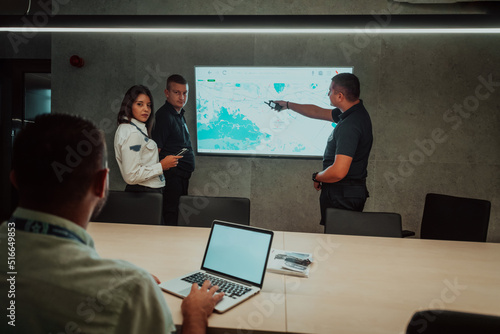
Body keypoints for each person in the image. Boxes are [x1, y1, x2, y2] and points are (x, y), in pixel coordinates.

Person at [0, 114, 223, 334]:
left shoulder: (131, 286)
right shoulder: (131, 290)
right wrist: (195, 315)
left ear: (14, 180)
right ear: (101, 184)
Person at [274, 73, 373, 227]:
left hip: (343, 196)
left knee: (338, 243)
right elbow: (318, 112)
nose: (327, 94)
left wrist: (318, 177)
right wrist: (287, 105)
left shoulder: (350, 125)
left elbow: (339, 171)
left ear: (340, 96)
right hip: (345, 193)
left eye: (329, 91)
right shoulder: (353, 113)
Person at [114, 85, 181, 193]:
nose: (146, 109)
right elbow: (131, 175)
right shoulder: (133, 133)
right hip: (143, 193)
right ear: (129, 105)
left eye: (149, 105)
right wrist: (161, 166)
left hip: (145, 192)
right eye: (139, 104)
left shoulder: (131, 129)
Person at [152, 75, 195, 225]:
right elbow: (155, 151)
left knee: (178, 216)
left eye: (185, 93)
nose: (182, 97)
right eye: (177, 92)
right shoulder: (164, 116)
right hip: (171, 178)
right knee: (171, 215)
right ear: (167, 93)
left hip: (181, 177)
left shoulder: (179, 114)